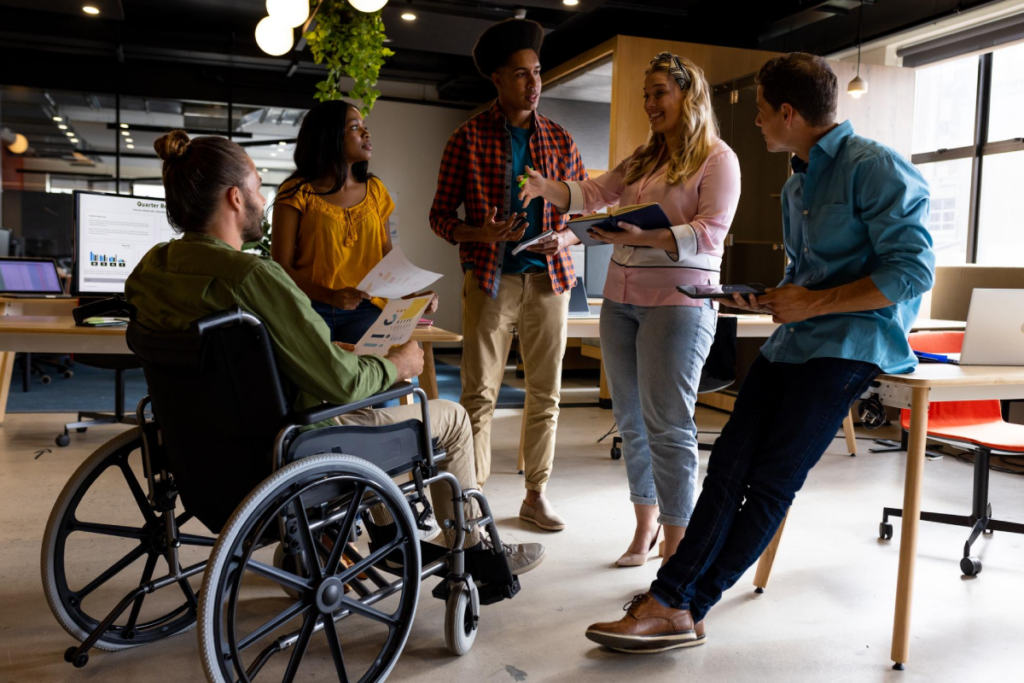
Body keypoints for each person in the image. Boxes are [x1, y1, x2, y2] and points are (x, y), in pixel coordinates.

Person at [584, 52, 935, 653]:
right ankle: (671, 601)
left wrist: (813, 304)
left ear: (790, 113)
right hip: (794, 337)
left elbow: (912, 272)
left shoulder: (874, 168)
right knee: (726, 469)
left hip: (851, 343)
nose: (760, 124)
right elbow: (810, 273)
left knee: (771, 481)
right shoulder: (798, 180)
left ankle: (685, 603)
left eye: (765, 113)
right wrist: (773, 298)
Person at [126, 129, 544, 577]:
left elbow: (243, 357)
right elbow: (341, 382)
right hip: (294, 447)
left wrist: (333, 350)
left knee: (374, 395)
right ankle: (474, 555)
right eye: (257, 186)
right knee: (450, 419)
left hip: (205, 453)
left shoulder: (152, 268)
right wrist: (396, 365)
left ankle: (384, 535)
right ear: (234, 198)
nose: (263, 198)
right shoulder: (251, 275)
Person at [519, 52, 740, 566]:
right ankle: (644, 530)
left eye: (659, 91)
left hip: (679, 304)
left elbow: (710, 233)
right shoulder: (645, 156)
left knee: (668, 423)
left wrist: (649, 235)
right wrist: (548, 189)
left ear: (688, 94)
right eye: (646, 94)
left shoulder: (717, 158)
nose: (649, 103)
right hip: (620, 302)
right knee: (631, 421)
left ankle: (677, 545)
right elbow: (595, 193)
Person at [429, 18, 587, 531]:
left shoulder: (561, 140)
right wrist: (481, 234)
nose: (533, 82)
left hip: (550, 279)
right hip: (490, 278)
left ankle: (535, 494)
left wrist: (564, 235)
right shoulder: (467, 139)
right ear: (497, 79)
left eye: (537, 72)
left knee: (547, 392)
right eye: (521, 74)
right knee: (479, 394)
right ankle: (472, 499)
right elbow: (439, 217)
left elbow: (583, 213)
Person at [272, 100, 436, 344]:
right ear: (328, 136)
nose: (366, 132)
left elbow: (386, 259)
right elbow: (281, 266)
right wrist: (330, 296)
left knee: (385, 370)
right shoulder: (295, 191)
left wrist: (413, 298)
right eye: (354, 127)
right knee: (320, 376)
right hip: (309, 306)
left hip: (366, 310)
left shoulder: (376, 190)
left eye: (364, 126)